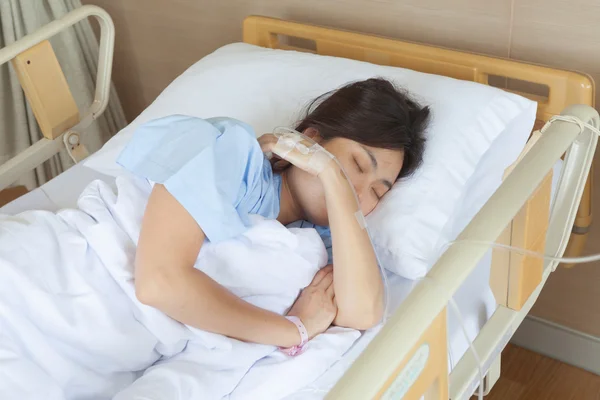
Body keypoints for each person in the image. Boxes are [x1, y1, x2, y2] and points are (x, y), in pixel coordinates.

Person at [118, 77, 430, 351]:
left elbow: (362, 314)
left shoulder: (329, 245)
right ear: (311, 139)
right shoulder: (230, 152)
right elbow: (158, 282)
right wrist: (295, 330)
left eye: (378, 191)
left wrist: (335, 181)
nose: (359, 195)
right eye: (357, 165)